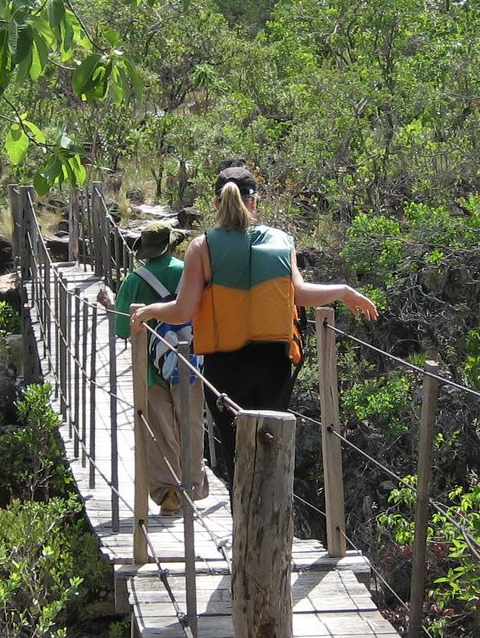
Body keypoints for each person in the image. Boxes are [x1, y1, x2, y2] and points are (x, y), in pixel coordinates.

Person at [130, 165, 379, 485]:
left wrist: (150, 311)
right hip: (274, 367)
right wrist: (343, 291)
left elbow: (183, 311)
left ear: (217, 204)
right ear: (255, 202)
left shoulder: (202, 247)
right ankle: (275, 534)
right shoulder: (281, 242)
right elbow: (300, 295)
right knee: (271, 454)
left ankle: (241, 533)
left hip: (225, 368)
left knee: (238, 457)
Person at [99, 221, 209, 513]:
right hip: (191, 359)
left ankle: (169, 493)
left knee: (159, 429)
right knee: (191, 424)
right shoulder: (189, 270)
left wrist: (111, 304)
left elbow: (123, 328)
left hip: (149, 367)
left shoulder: (134, 281)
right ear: (172, 245)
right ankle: (193, 486)